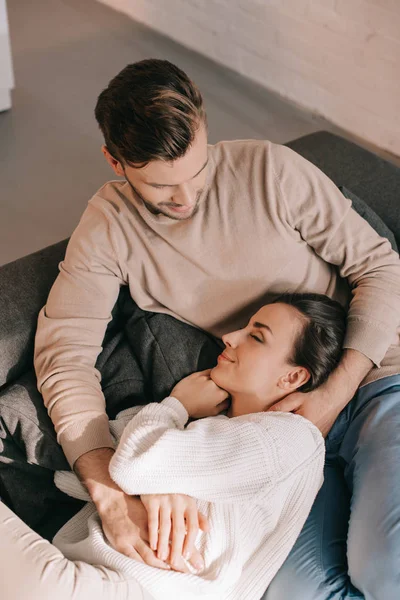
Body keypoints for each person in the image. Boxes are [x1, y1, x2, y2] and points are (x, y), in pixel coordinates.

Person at [1, 58, 400, 599]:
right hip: (268, 439)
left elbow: (380, 266)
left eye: (197, 171)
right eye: (162, 188)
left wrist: (331, 396)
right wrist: (111, 495)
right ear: (115, 162)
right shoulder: (108, 228)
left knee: (387, 567)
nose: (187, 200)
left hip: (373, 377)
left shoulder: (271, 171)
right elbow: (63, 356)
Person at [1, 293, 344, 600]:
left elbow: (131, 465)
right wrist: (159, 470)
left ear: (292, 378)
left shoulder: (293, 439)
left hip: (131, 589)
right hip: (84, 571)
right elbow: (74, 476)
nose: (230, 337)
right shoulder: (212, 427)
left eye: (256, 336)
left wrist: (176, 405)